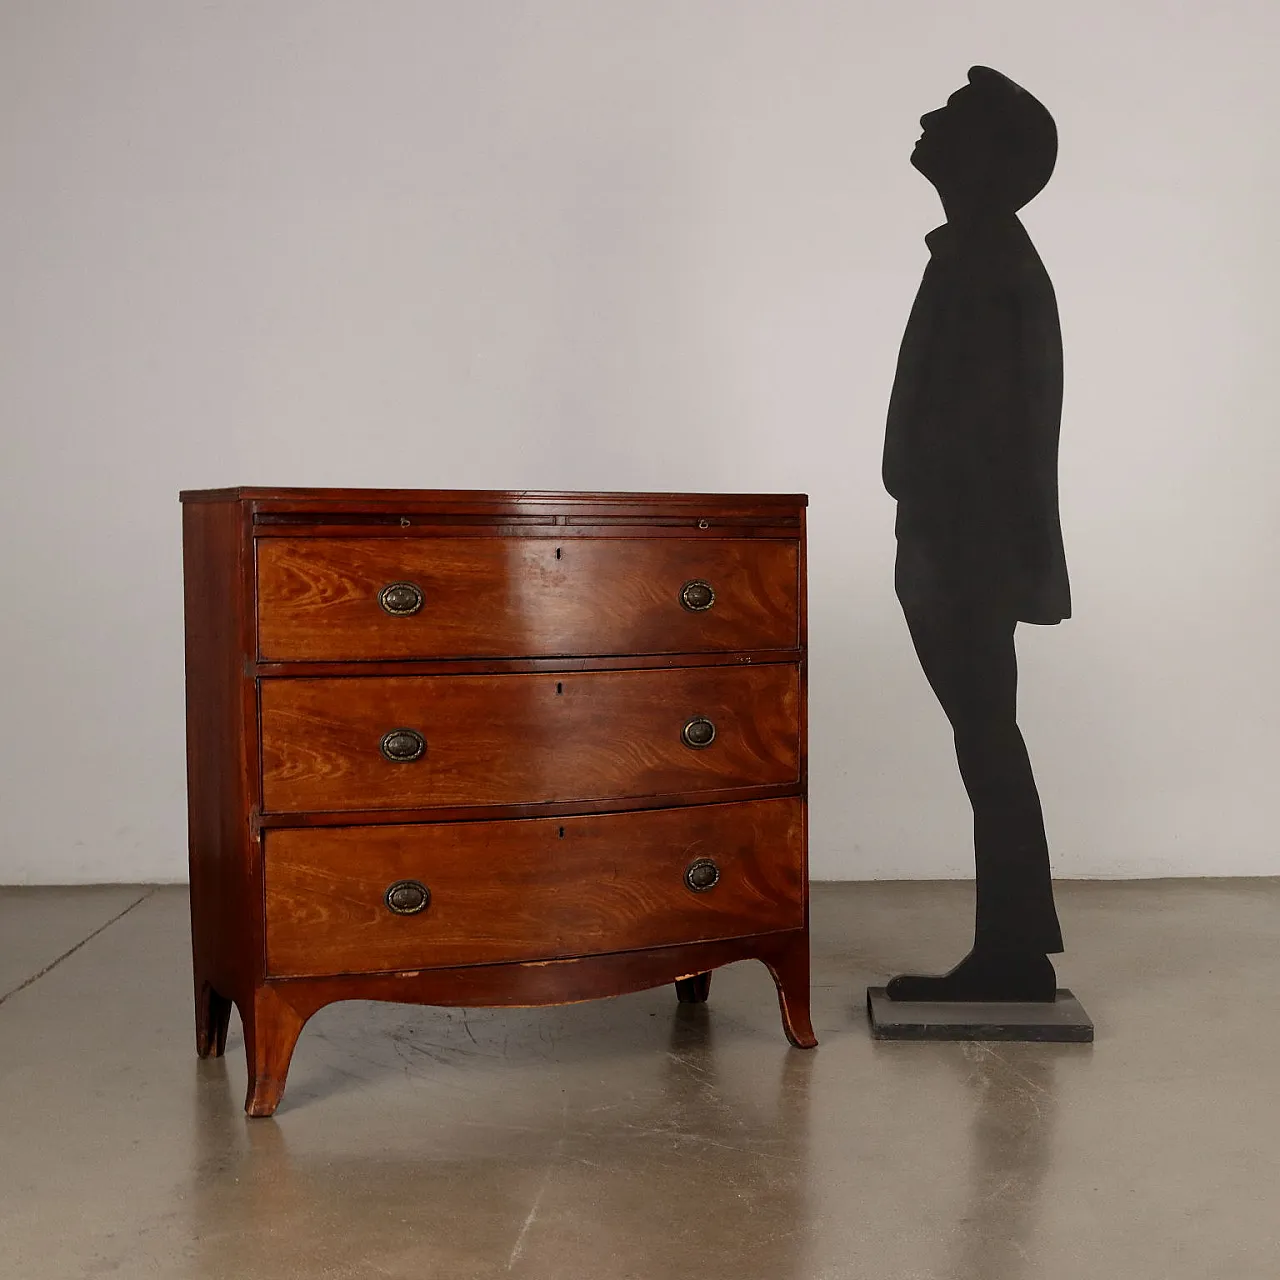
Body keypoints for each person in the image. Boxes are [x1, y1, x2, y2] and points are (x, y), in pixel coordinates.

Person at [882, 66, 1069, 1002]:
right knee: (986, 733)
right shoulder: (979, 254)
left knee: (986, 734)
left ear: (991, 158)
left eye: (951, 116)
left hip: (966, 548)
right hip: (959, 542)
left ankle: (1013, 950)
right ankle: (1015, 943)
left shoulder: (988, 261)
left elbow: (992, 430)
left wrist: (951, 541)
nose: (926, 118)